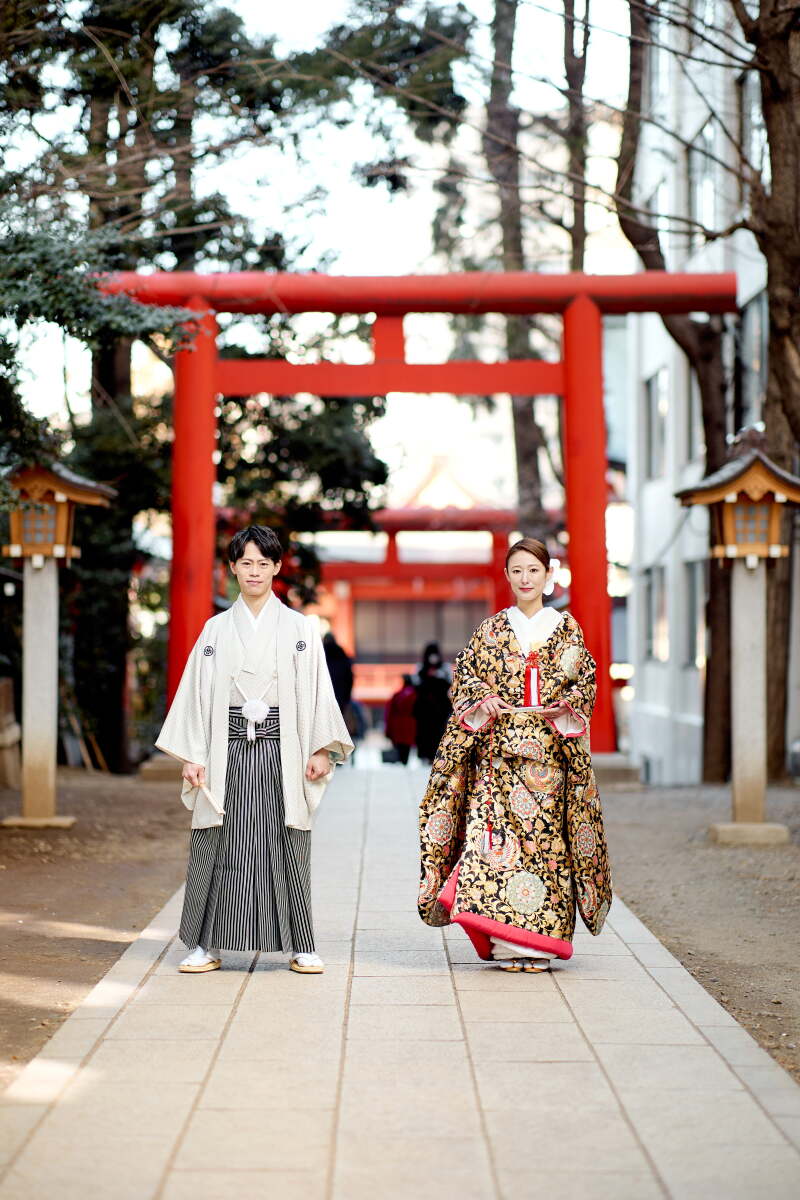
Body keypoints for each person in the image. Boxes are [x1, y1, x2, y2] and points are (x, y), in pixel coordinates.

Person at [156, 525, 353, 975]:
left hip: (284, 748)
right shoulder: (215, 629)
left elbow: (319, 692)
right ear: (233, 568)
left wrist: (320, 748)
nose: (254, 571)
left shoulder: (300, 628)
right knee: (218, 841)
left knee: (288, 841)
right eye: (246, 563)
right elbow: (195, 694)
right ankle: (206, 943)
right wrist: (193, 754)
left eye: (263, 563)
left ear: (277, 567)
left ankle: (301, 943)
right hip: (225, 748)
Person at [417, 537, 612, 972]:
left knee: (548, 846)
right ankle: (507, 943)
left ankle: (542, 945)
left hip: (549, 757)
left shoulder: (567, 629)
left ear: (548, 575)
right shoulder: (490, 630)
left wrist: (568, 705)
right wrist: (482, 697)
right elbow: (465, 676)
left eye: (533, 570)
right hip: (498, 759)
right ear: (507, 576)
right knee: (497, 847)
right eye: (518, 570)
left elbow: (585, 680)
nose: (526, 578)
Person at [413, 641, 452, 764]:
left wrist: (438, 676)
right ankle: (426, 756)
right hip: (425, 709)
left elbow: (451, 683)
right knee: (424, 733)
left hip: (440, 709)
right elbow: (416, 683)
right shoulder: (420, 668)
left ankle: (438, 755)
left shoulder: (445, 668)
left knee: (439, 732)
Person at [384, 674, 417, 765]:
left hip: (398, 725)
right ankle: (404, 761)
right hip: (410, 725)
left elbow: (390, 712)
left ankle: (401, 761)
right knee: (407, 747)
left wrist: (388, 729)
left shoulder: (398, 695)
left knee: (400, 746)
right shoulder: (415, 694)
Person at [322, 632, 354, 717]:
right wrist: (347, 698)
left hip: (324, 698)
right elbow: (349, 679)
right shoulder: (342, 655)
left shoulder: (320, 655)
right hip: (340, 698)